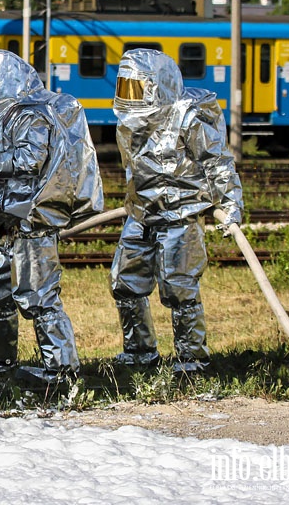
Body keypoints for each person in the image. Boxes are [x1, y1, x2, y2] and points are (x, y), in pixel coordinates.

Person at [0, 49, 103, 384]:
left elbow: (30, 160)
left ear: (2, 80)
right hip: (10, 222)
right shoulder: (12, 114)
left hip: (32, 222)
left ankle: (61, 371)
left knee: (40, 297)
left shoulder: (30, 114)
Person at [110, 48, 244, 374]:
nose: (130, 96)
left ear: (156, 86)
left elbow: (217, 161)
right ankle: (140, 352)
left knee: (179, 289)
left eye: (136, 87)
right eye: (125, 87)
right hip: (141, 215)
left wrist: (230, 203)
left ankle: (191, 359)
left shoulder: (188, 118)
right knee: (125, 284)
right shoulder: (131, 121)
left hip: (179, 218)